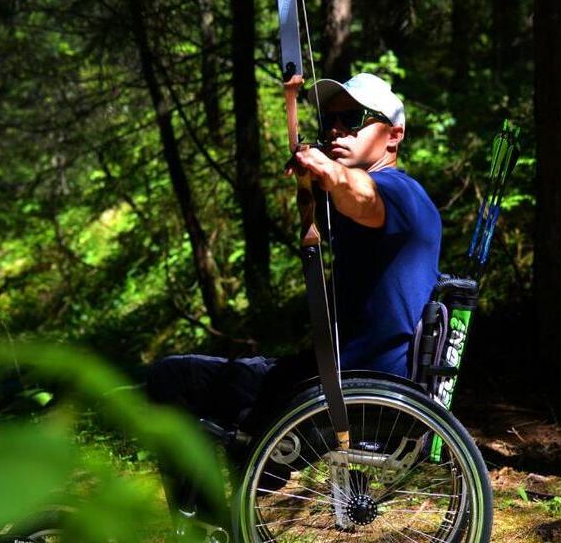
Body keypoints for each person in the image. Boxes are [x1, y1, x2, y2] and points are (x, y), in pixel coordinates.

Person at [146, 72, 442, 534]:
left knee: (176, 382)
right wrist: (315, 179)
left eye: (355, 119)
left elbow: (359, 193)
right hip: (330, 381)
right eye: (333, 120)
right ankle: (222, 520)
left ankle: (206, 527)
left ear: (394, 135)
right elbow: (345, 199)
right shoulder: (368, 199)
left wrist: (325, 170)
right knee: (180, 382)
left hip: (354, 394)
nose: (339, 129)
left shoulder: (401, 194)